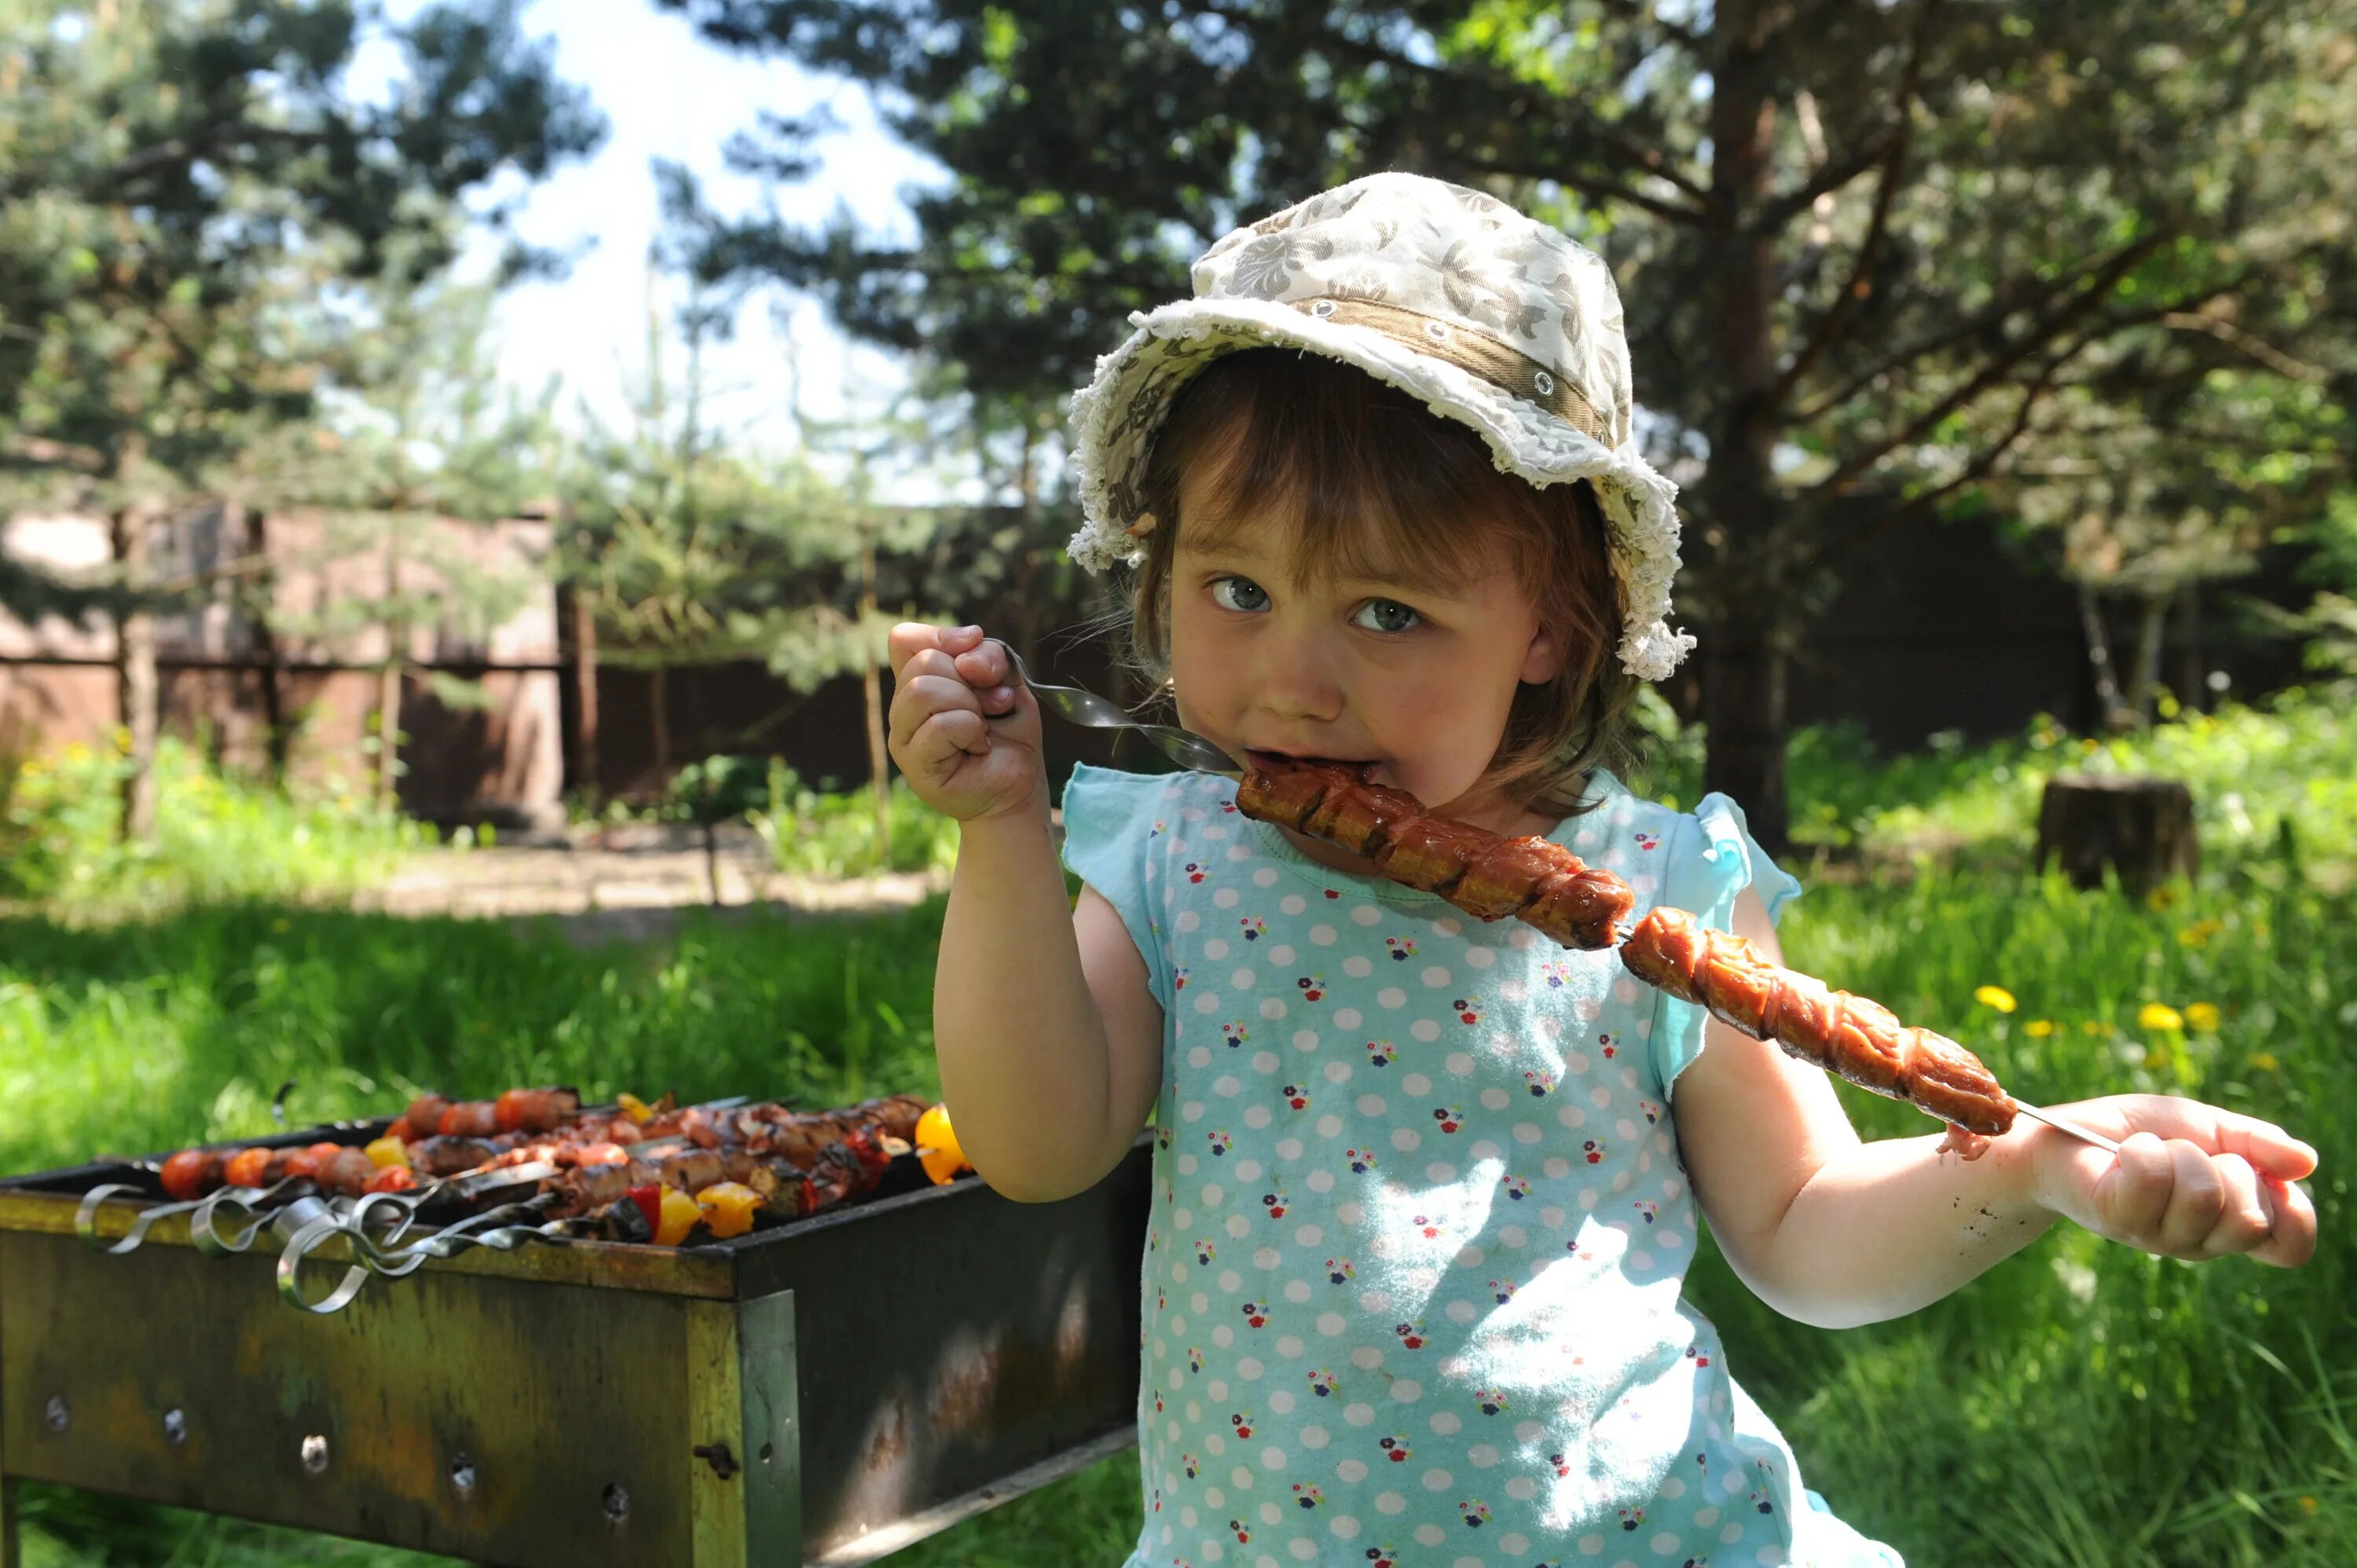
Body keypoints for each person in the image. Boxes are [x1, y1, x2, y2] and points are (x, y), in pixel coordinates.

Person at [885, 173, 2318, 1567]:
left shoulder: (1663, 888)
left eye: (1389, 611)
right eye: (1237, 591)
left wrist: (2034, 1173)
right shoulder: (1177, 870)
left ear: (1552, 632)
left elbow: (1803, 1234)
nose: (1294, 684)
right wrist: (1002, 840)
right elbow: (1036, 1142)